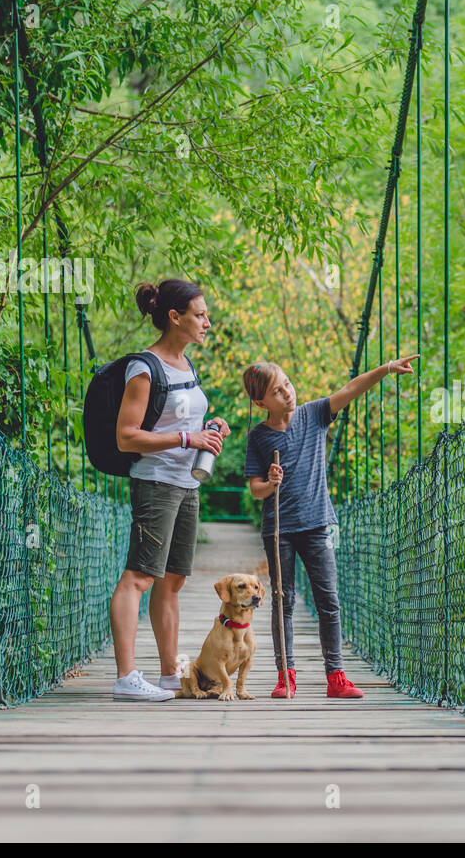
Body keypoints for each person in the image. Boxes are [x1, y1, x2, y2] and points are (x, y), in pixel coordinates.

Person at [242, 354, 418, 698]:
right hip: (279, 529)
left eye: (288, 385)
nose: (288, 394)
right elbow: (255, 489)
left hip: (317, 523)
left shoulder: (314, 414)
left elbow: (351, 388)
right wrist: (271, 483)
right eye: (278, 392)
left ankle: (336, 676)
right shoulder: (258, 437)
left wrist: (384, 369)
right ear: (261, 402)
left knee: (329, 600)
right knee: (283, 600)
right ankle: (286, 676)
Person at [109, 279, 230, 702]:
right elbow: (127, 437)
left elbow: (180, 422)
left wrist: (208, 429)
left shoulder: (187, 366)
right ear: (175, 317)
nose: (207, 323)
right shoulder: (145, 368)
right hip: (156, 482)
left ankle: (166, 674)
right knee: (139, 578)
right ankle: (127, 678)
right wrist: (187, 440)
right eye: (200, 315)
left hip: (186, 484)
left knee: (173, 581)